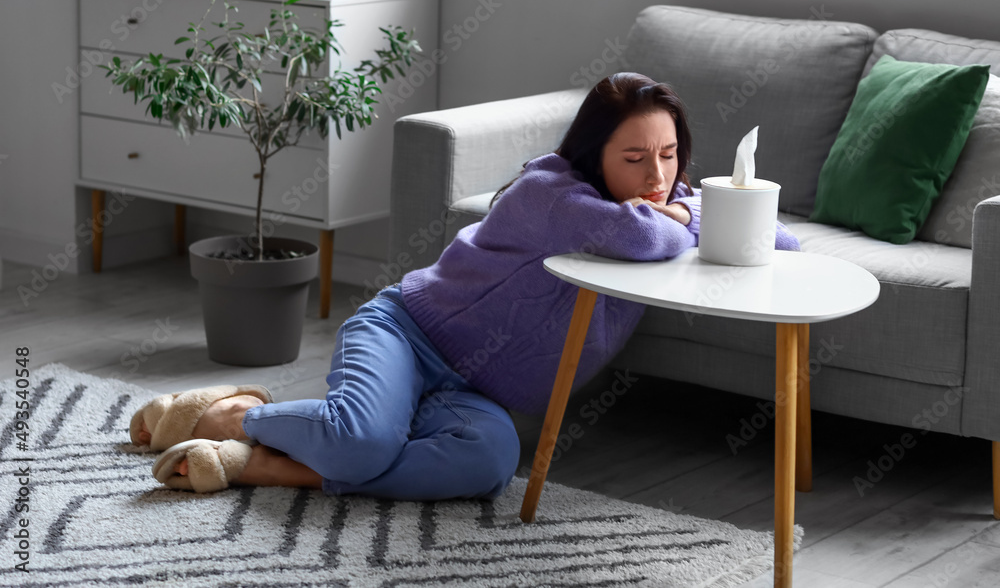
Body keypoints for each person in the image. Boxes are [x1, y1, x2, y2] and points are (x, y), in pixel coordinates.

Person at [132, 72, 801, 499]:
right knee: (365, 441)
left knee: (488, 464)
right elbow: (637, 236)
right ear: (591, 153)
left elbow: (779, 236)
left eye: (669, 153)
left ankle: (264, 464)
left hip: (475, 392)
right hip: (406, 332)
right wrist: (693, 215)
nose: (657, 174)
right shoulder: (550, 191)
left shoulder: (669, 203)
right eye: (633, 157)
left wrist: (696, 208)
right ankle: (237, 416)